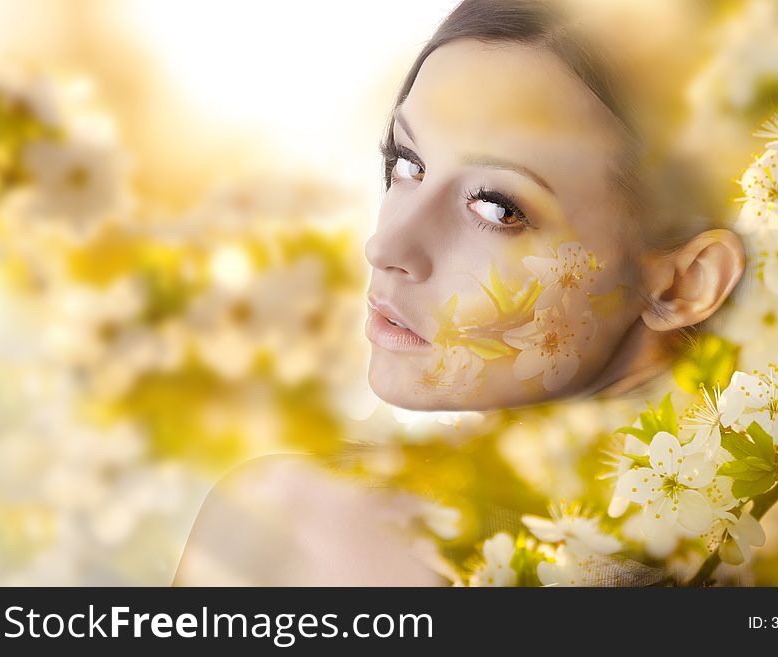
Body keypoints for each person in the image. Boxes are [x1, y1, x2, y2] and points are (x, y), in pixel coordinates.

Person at [174, 0, 745, 586]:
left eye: (497, 207)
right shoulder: (290, 525)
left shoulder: (296, 523)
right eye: (406, 163)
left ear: (685, 282)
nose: (387, 246)